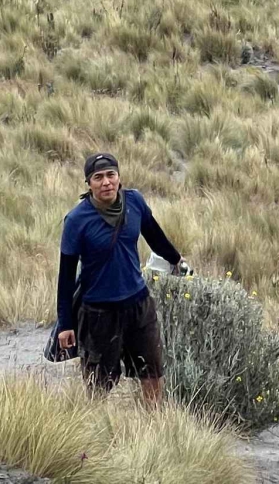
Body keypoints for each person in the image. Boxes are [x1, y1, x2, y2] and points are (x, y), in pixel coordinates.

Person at [55, 152, 186, 403]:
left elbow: (154, 236)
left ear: (118, 177)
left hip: (139, 304)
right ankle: (96, 429)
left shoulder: (134, 201)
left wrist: (176, 259)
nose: (106, 182)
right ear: (89, 183)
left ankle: (155, 423)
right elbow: (66, 276)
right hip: (99, 312)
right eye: (98, 177)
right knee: (99, 381)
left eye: (110, 175)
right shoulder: (76, 220)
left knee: (153, 371)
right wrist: (65, 324)